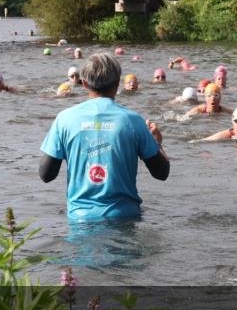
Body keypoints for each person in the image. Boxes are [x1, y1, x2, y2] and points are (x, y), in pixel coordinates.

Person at [39, 53, 170, 221]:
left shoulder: (64, 119)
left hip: (80, 219)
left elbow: (46, 174)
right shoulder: (133, 121)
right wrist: (157, 143)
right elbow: (161, 173)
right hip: (124, 218)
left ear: (84, 84)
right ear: (117, 83)